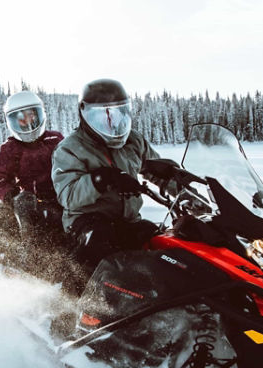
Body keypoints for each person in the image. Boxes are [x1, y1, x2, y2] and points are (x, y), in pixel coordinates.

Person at [51, 78, 184, 278]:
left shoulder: (133, 141)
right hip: (86, 222)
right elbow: (68, 195)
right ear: (84, 114)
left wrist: (182, 188)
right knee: (99, 244)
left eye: (117, 113)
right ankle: (79, 300)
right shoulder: (70, 148)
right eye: (102, 116)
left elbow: (157, 168)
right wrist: (100, 180)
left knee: (162, 244)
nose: (110, 121)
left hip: (128, 220)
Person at [0, 90, 64, 248]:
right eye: (21, 119)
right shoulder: (10, 148)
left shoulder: (54, 139)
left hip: (62, 195)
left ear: (39, 115)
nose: (28, 121)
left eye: (31, 115)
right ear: (13, 122)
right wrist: (12, 195)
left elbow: (74, 160)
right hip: (34, 201)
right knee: (24, 203)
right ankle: (31, 252)